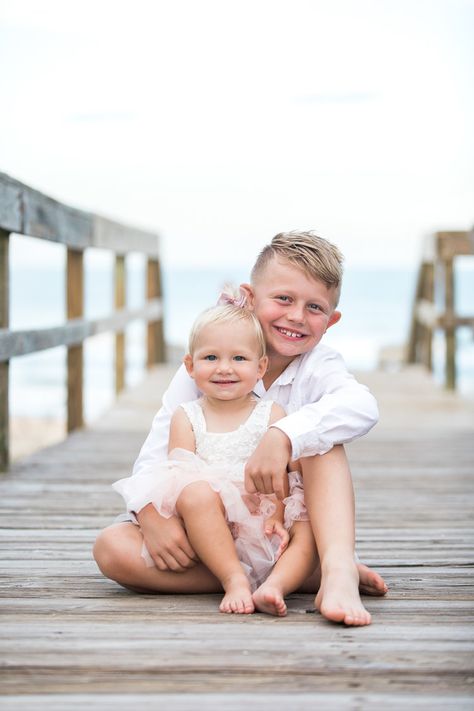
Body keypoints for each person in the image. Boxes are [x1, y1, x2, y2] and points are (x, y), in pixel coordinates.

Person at [94, 231, 388, 626]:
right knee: (112, 548)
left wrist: (283, 435)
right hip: (211, 530)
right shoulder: (211, 363)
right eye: (283, 298)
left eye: (314, 307)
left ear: (331, 320)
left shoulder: (319, 365)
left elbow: (361, 406)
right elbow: (157, 457)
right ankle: (284, 576)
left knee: (324, 444)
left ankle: (336, 571)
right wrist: (150, 514)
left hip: (279, 527)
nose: (297, 316)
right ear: (251, 297)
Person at [109, 301, 316, 614]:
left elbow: (280, 476)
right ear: (190, 366)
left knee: (310, 524)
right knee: (113, 545)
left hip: (261, 530)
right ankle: (235, 577)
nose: (224, 367)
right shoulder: (187, 416)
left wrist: (274, 515)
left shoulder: (271, 413)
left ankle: (279, 576)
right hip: (207, 532)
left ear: (259, 368)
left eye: (238, 358)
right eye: (210, 357)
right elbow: (174, 479)